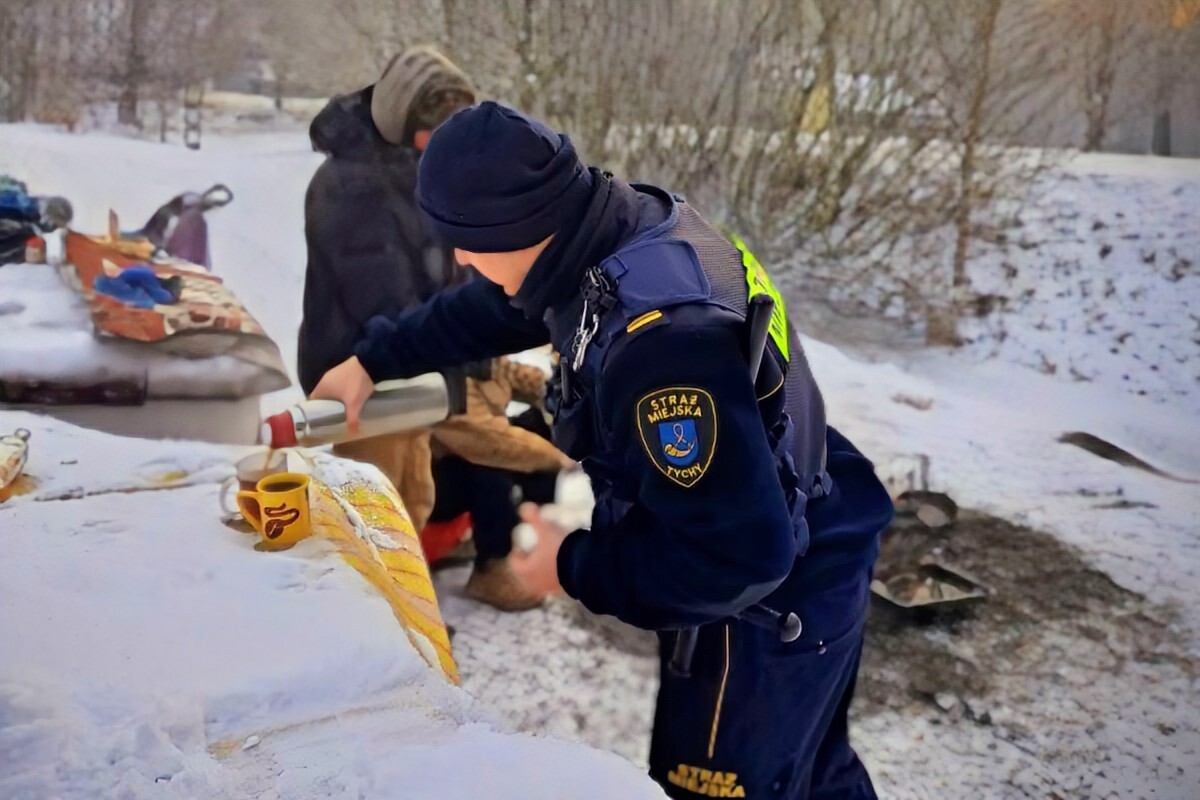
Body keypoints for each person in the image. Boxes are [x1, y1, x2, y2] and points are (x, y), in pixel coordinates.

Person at [311, 102, 895, 799]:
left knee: (719, 786)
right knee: (814, 770)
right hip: (810, 499)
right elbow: (494, 306)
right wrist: (374, 359)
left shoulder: (665, 348)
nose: (461, 258)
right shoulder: (613, 231)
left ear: (519, 227)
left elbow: (733, 560)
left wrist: (570, 565)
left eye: (465, 241)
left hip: (771, 596)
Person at [297, 52, 563, 610]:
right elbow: (384, 302)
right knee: (374, 510)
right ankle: (365, 625)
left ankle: (400, 614)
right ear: (399, 121)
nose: (441, 155)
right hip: (364, 377)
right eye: (431, 140)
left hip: (414, 369)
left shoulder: (420, 173)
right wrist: (460, 338)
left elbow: (451, 265)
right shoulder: (353, 188)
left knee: (413, 497)